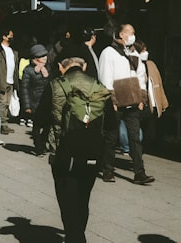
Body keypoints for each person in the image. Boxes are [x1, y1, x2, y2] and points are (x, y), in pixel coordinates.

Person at [47, 55, 111, 243]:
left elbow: (42, 115)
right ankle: (78, 233)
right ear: (84, 67)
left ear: (61, 66)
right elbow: (111, 125)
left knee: (66, 197)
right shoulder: (100, 87)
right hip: (93, 149)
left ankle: (74, 236)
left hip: (64, 151)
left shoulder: (56, 84)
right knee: (84, 196)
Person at [97, 23, 154, 185]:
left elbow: (140, 75)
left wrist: (142, 98)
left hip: (133, 100)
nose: (133, 35)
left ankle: (139, 172)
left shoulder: (134, 53)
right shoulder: (109, 53)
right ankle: (107, 169)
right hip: (116, 100)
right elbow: (105, 77)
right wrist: (111, 99)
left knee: (135, 138)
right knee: (111, 136)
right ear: (121, 34)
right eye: (131, 32)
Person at [0, 28, 20, 135]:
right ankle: (2, 125)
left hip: (11, 80)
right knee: (3, 103)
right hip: (2, 79)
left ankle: (4, 123)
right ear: (4, 37)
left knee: (7, 103)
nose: (12, 37)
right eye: (10, 35)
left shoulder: (13, 51)